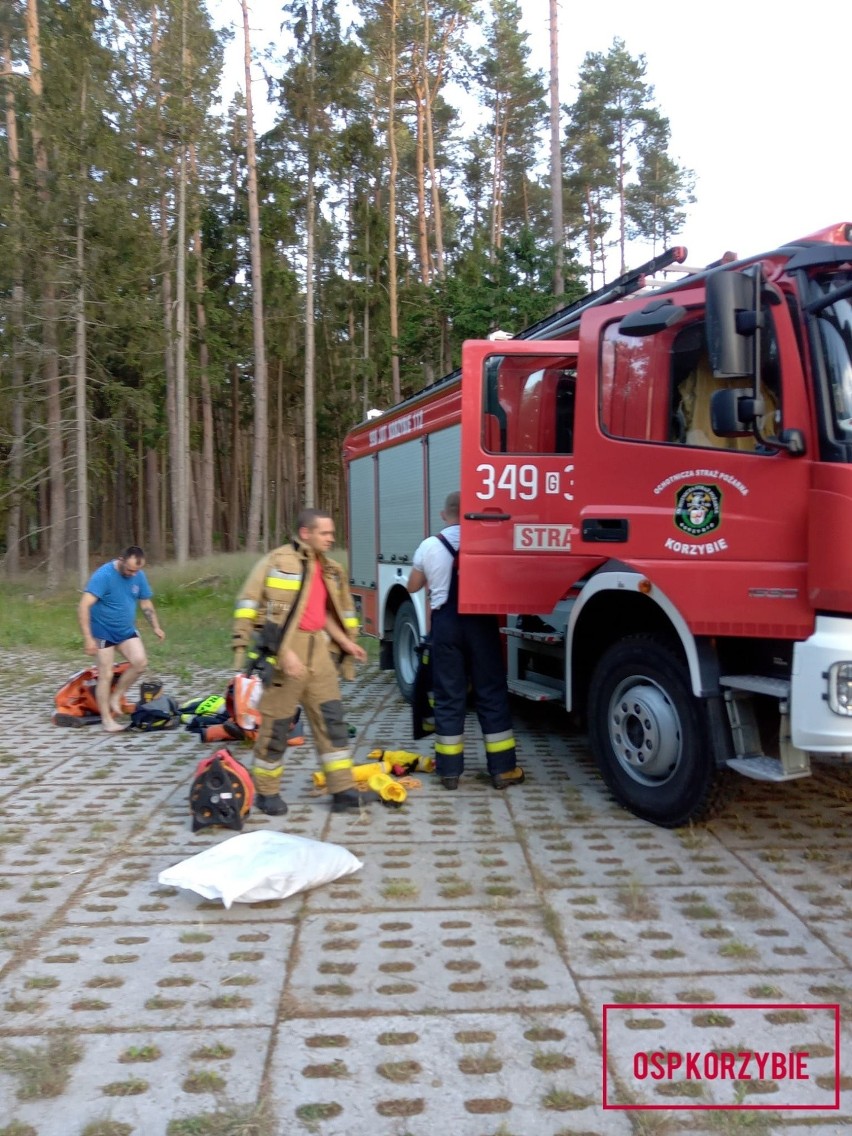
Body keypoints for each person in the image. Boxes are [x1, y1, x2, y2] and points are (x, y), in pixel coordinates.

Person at [232, 508, 370, 816]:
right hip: (286, 650)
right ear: (305, 533)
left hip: (318, 650)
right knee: (278, 725)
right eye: (325, 533)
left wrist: (346, 642)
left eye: (332, 533)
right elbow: (254, 609)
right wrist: (282, 653)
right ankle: (267, 793)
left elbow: (323, 613)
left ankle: (343, 791)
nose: (331, 538)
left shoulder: (329, 568)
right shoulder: (277, 562)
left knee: (331, 721)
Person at [407, 491, 523, 792]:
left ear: (444, 515)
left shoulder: (430, 545)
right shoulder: (488, 543)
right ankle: (502, 770)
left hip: (445, 626)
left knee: (449, 695)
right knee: (491, 692)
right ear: (473, 513)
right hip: (482, 624)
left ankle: (449, 773)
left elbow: (413, 586)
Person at [78, 545, 166, 733]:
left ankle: (116, 695)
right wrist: (88, 638)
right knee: (106, 674)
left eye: (137, 570)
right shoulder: (103, 576)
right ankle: (107, 719)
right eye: (129, 569)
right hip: (103, 631)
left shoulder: (137, 575)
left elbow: (145, 602)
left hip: (125, 630)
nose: (132, 574)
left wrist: (156, 626)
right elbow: (84, 605)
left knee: (140, 663)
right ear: (121, 560)